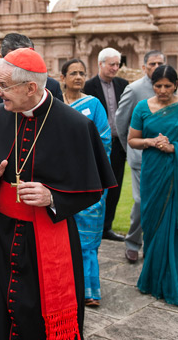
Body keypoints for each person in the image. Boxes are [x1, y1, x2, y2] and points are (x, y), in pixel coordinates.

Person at [0, 48, 116, 340]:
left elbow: (92, 189)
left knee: (36, 313)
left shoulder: (75, 125)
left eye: (3, 86)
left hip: (46, 234)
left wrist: (53, 198)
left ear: (30, 87)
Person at [0, 33, 63, 249]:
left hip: (41, 195)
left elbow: (61, 144)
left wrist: (54, 195)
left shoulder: (52, 88)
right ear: (1, 58)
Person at [127, 65, 178, 306]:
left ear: (176, 85)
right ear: (152, 85)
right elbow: (132, 139)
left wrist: (175, 148)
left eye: (168, 86)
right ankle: (153, 279)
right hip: (153, 172)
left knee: (174, 225)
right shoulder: (142, 107)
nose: (162, 90)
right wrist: (151, 142)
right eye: (158, 85)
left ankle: (175, 281)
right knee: (152, 222)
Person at [61, 58, 111, 308]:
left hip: (90, 178)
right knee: (63, 236)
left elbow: (105, 140)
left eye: (82, 73)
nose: (78, 77)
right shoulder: (56, 105)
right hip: (60, 180)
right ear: (63, 78)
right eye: (73, 73)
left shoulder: (94, 105)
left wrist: (83, 161)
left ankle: (90, 290)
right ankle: (65, 286)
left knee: (87, 238)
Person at [114, 50, 166, 263]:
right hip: (140, 156)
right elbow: (120, 121)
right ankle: (133, 242)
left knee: (161, 200)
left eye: (159, 63)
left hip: (164, 155)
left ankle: (155, 244)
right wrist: (131, 148)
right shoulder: (134, 89)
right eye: (152, 64)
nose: (156, 67)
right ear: (144, 67)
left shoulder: (168, 88)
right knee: (140, 201)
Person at [83, 47, 129, 242]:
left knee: (115, 187)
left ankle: (107, 227)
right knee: (95, 186)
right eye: (112, 64)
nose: (115, 68)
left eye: (118, 64)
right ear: (100, 64)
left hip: (118, 145)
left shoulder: (123, 84)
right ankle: (93, 226)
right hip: (96, 147)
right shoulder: (88, 86)